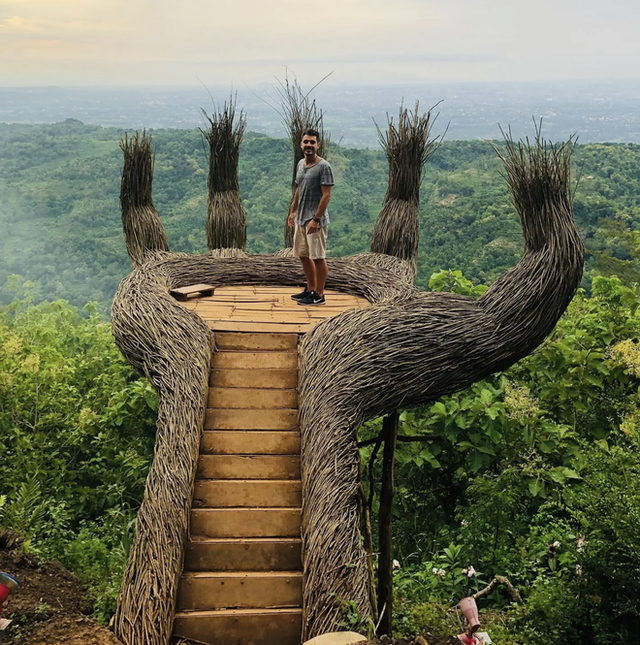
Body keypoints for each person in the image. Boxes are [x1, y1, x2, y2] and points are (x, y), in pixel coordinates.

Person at [287, 128, 334, 306]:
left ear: (318, 145)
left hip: (315, 221)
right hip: (301, 218)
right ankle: (310, 289)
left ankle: (319, 294)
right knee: (304, 255)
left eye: (312, 142)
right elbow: (299, 189)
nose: (309, 145)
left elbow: (326, 195)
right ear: (301, 144)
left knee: (318, 257)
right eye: (306, 142)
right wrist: (293, 211)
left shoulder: (324, 167)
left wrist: (316, 219)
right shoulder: (300, 164)